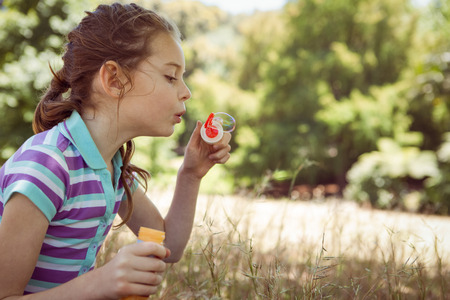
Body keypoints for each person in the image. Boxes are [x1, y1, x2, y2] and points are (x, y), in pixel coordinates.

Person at [0, 2, 232, 299]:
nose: (186, 91)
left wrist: (190, 174)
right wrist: (101, 282)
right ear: (114, 80)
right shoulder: (47, 165)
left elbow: (168, 244)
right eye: (171, 76)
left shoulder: (112, 167)